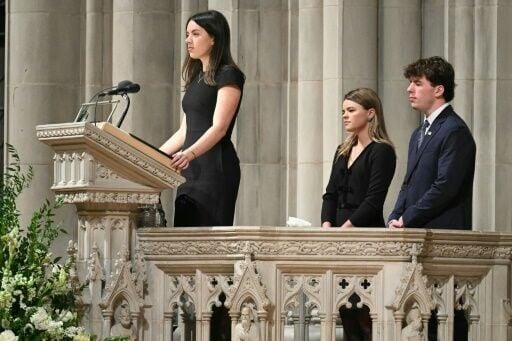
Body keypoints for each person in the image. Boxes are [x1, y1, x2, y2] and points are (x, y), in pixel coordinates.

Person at [159, 10, 245, 227]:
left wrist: (189, 154)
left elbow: (219, 128)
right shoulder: (196, 78)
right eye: (187, 34)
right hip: (190, 170)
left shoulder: (228, 74)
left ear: (214, 37)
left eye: (195, 34)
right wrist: (152, 157)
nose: (188, 40)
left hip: (214, 169)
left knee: (207, 243)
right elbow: (184, 132)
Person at [388, 56, 476, 229]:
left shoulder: (454, 130)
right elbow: (408, 183)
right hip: (415, 229)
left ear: (438, 90)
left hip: (442, 232)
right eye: (410, 83)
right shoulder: (417, 133)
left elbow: (445, 186)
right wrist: (395, 216)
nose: (409, 89)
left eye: (417, 83)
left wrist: (408, 218)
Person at [321, 88, 396, 228]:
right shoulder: (342, 150)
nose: (345, 116)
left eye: (351, 110)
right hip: (336, 231)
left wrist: (345, 229)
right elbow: (330, 195)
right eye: (343, 112)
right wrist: (327, 227)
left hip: (366, 232)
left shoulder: (382, 151)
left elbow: (374, 200)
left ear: (370, 113)